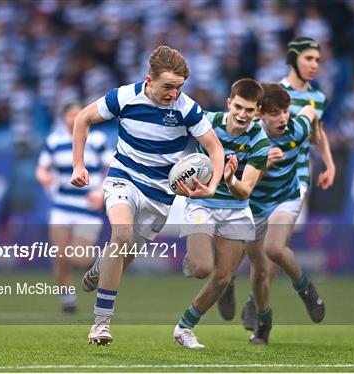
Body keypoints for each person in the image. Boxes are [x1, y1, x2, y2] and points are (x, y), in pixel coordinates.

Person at [71, 46, 224, 346]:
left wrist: (213, 184)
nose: (173, 94)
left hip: (160, 196)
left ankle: (101, 266)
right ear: (149, 79)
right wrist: (79, 164)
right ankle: (101, 325)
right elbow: (82, 119)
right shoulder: (124, 97)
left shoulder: (187, 109)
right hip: (123, 179)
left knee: (122, 255)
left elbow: (215, 149)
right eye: (168, 86)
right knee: (122, 233)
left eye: (179, 87)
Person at [217, 36, 335, 328]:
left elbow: (316, 128)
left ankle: (256, 304)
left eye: (318, 60)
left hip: (296, 176)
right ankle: (228, 281)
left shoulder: (316, 99)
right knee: (249, 247)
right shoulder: (270, 94)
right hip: (259, 183)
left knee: (275, 248)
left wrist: (329, 163)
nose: (314, 66)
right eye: (309, 59)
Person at [173, 78, 270, 349]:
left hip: (236, 209)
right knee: (203, 268)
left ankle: (184, 328)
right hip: (202, 203)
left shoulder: (260, 142)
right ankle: (194, 259)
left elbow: (246, 190)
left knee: (223, 277)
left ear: (258, 112)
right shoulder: (207, 122)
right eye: (238, 106)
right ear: (229, 103)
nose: (242, 114)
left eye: (249, 110)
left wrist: (230, 180)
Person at [243, 83, 323, 344]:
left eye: (285, 111)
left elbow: (310, 113)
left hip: (285, 200)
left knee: (274, 249)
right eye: (275, 112)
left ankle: (304, 288)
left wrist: (314, 123)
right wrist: (262, 164)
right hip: (254, 206)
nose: (283, 117)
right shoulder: (250, 136)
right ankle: (263, 322)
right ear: (261, 114)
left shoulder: (296, 129)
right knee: (259, 272)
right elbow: (244, 180)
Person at [36, 101, 108, 314]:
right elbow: (41, 168)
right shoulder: (54, 141)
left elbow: (110, 168)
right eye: (71, 115)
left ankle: (98, 266)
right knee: (59, 254)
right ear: (64, 118)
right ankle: (68, 298)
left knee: (78, 256)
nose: (75, 119)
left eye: (79, 114)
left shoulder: (97, 140)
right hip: (62, 206)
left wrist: (101, 193)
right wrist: (45, 178)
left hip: (88, 206)